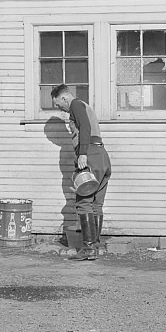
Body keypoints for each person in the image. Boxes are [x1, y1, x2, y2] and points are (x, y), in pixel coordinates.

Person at [50, 84, 111, 261]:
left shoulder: (76, 105)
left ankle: (89, 248)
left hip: (90, 154)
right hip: (102, 156)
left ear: (64, 98)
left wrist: (82, 153)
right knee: (96, 204)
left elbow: (85, 127)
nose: (59, 108)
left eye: (58, 104)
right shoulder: (86, 106)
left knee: (83, 202)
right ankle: (96, 245)